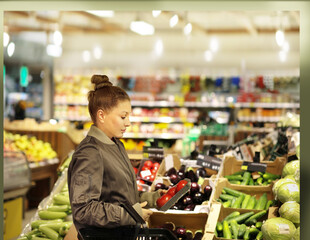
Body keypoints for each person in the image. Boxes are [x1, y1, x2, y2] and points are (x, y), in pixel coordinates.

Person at [67, 75, 165, 239]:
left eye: (129, 116)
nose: (128, 123)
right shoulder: (90, 153)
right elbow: (83, 209)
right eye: (123, 116)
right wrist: (131, 215)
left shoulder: (116, 145)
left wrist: (155, 198)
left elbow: (121, 196)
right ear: (101, 115)